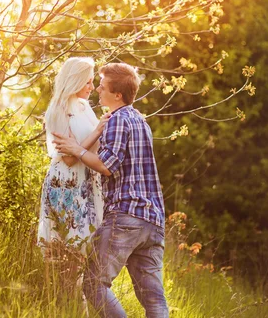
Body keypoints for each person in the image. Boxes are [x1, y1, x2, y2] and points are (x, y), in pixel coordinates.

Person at [53, 63, 169, 318]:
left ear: (117, 94)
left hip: (126, 216)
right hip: (154, 221)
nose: (97, 90)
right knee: (154, 299)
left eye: (102, 86)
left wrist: (76, 149)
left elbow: (106, 166)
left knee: (94, 283)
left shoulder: (118, 120)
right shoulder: (140, 120)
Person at [37, 57, 110, 254]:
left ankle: (81, 286)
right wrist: (97, 132)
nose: (92, 87)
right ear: (75, 80)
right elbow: (69, 158)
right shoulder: (58, 110)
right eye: (87, 81)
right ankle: (60, 285)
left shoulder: (84, 107)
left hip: (87, 179)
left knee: (88, 245)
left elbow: (83, 147)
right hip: (67, 182)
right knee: (70, 245)